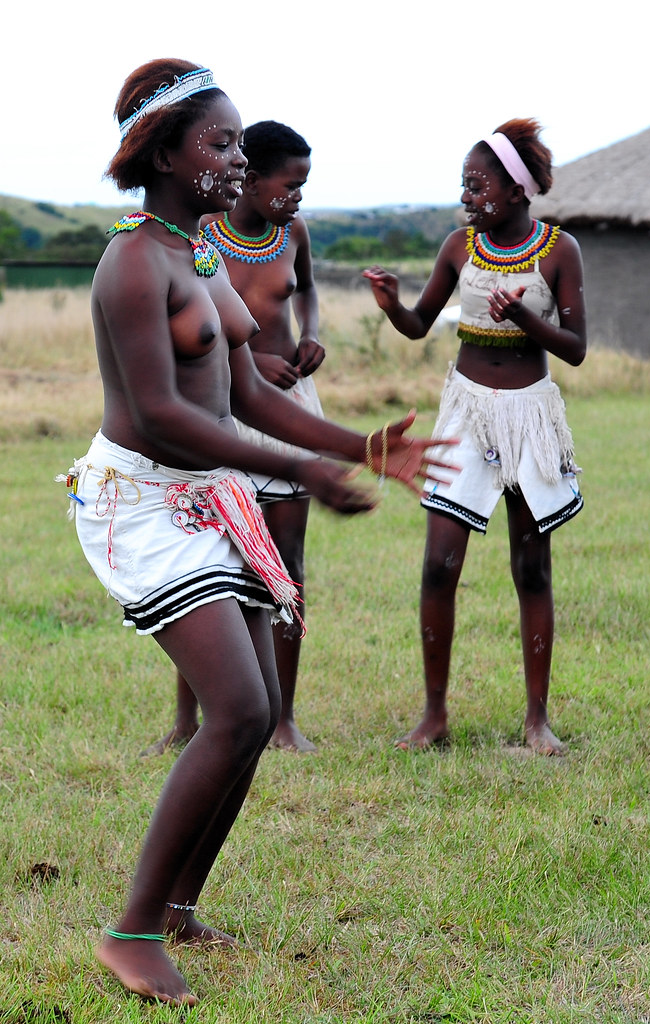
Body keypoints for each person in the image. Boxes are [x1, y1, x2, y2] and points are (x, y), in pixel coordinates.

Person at [65, 59, 453, 1006]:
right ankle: (131, 931)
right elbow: (159, 414)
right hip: (142, 502)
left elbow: (244, 393)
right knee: (239, 710)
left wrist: (358, 446)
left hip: (206, 492)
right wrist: (300, 472)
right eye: (220, 142)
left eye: (240, 142)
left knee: (254, 705)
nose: (239, 160)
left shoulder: (197, 252)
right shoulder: (131, 262)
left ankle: (183, 908)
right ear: (162, 151)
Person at [363, 119, 585, 755]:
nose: (466, 196)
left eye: (477, 184)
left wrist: (521, 316)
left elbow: (575, 347)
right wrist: (391, 306)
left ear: (516, 190)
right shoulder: (459, 247)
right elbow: (418, 324)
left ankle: (537, 720)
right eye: (463, 185)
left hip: (529, 413)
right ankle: (434, 716)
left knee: (531, 567)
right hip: (465, 412)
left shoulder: (558, 252)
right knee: (439, 563)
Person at [145, 120, 324, 754]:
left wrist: (309, 336)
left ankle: (284, 718)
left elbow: (306, 293)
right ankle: (187, 720)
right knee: (210, 567)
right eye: (291, 183)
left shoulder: (291, 233)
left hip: (288, 410)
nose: (299, 195)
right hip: (221, 412)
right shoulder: (200, 242)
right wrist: (249, 365)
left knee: (288, 567)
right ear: (251, 178)